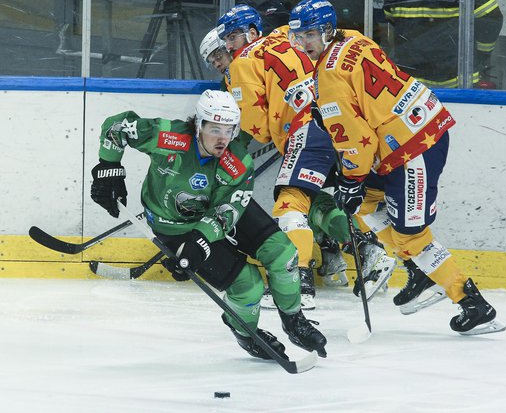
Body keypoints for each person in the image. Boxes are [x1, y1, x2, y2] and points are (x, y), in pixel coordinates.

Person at [287, 0, 506, 335]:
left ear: (327, 30)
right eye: (299, 37)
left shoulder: (327, 79)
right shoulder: (354, 38)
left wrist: (350, 179)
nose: (304, 45)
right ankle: (417, 272)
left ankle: (472, 303)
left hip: (413, 148)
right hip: (412, 131)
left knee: (410, 235)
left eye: (310, 36)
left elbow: (357, 141)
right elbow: (365, 97)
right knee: (363, 203)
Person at [89, 89, 328, 359]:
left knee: (283, 252)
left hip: (220, 207)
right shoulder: (168, 136)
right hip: (176, 226)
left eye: (229, 130)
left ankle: (294, 320)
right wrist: (109, 172)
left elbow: (228, 209)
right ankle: (246, 332)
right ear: (198, 125)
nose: (223, 139)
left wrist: (200, 242)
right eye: (215, 129)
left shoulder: (238, 161)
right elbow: (117, 125)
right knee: (248, 285)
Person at [215, 4, 395, 309]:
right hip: (344, 125)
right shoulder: (289, 35)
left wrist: (234, 149)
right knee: (315, 201)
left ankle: (298, 283)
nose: (229, 46)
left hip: (308, 127)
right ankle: (367, 252)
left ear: (253, 32)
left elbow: (255, 128)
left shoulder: (242, 63)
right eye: (226, 40)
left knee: (288, 204)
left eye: (233, 36)